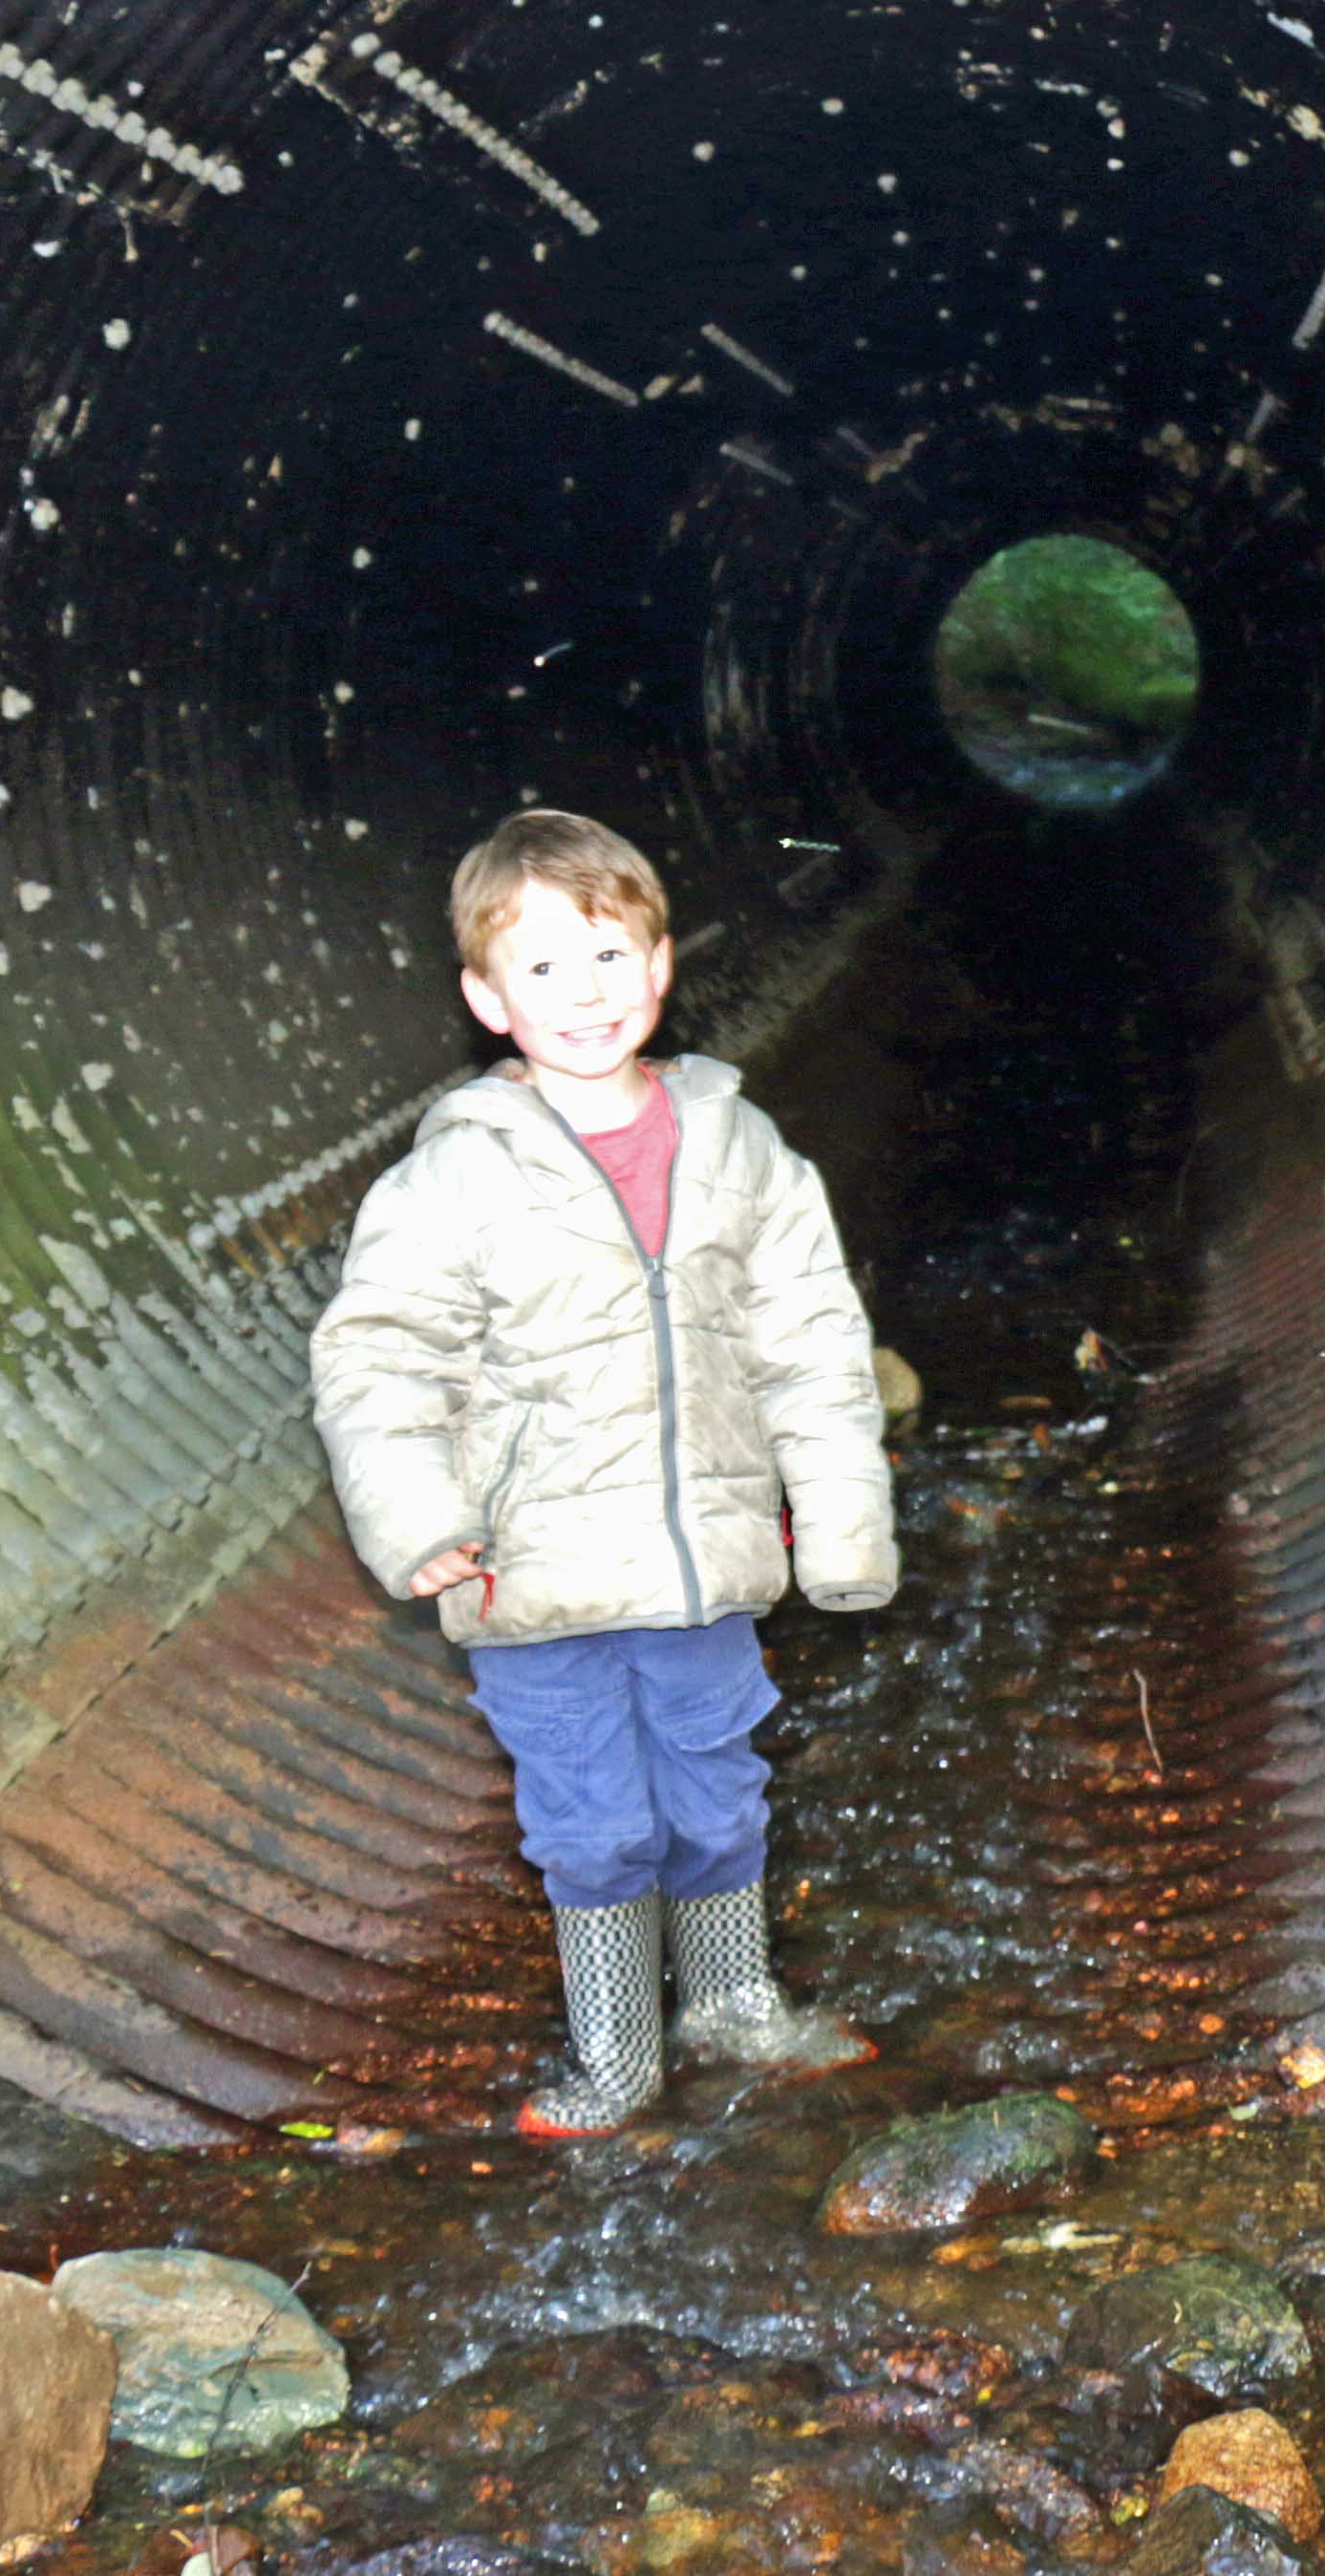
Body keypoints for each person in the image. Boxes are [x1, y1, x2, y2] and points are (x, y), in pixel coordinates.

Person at [310, 807, 901, 2135]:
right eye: (541, 970)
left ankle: (736, 2002)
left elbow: (810, 1340)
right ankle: (619, 2053)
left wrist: (844, 1517)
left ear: (662, 964)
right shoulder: (452, 1177)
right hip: (535, 1573)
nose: (583, 997)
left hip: (704, 1560)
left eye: (608, 957)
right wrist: (420, 1523)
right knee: (592, 1822)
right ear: (485, 999)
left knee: (720, 1786)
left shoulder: (738, 1147)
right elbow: (380, 1361)